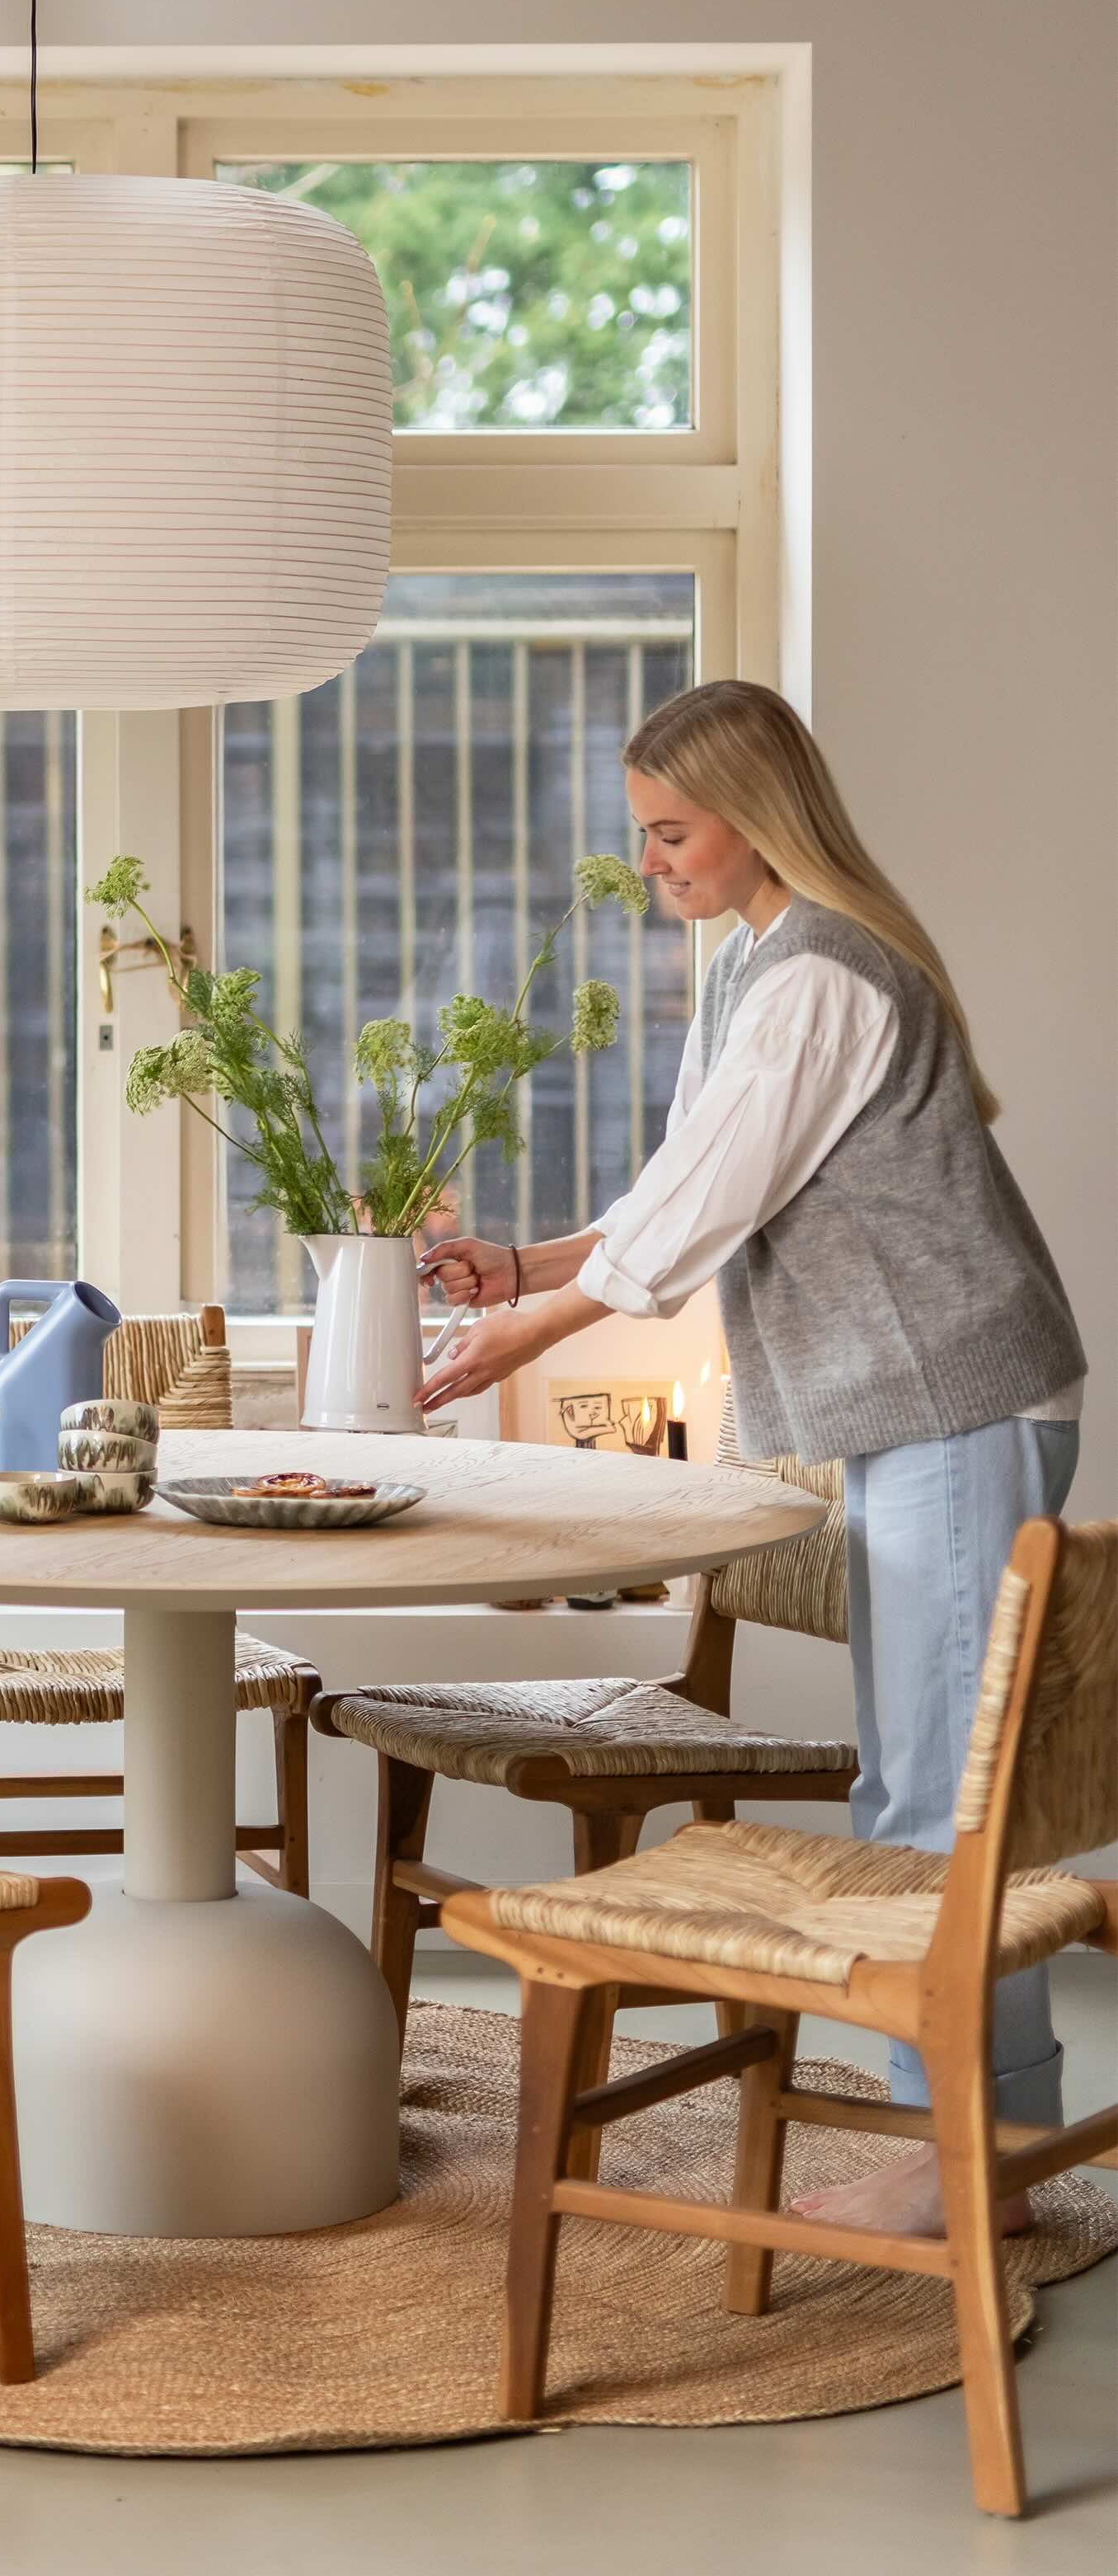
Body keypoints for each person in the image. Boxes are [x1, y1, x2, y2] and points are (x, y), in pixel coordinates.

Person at [418, 677, 1086, 2234]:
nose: (651, 862)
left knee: (938, 1802)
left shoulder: (821, 978)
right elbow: (692, 1183)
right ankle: (1002, 2146)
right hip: (921, 1408)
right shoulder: (757, 969)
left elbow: (707, 1207)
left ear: (756, 815)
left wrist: (535, 1334)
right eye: (640, 835)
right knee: (939, 1785)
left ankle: (957, 2165)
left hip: (952, 1401)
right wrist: (529, 1270)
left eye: (672, 832)